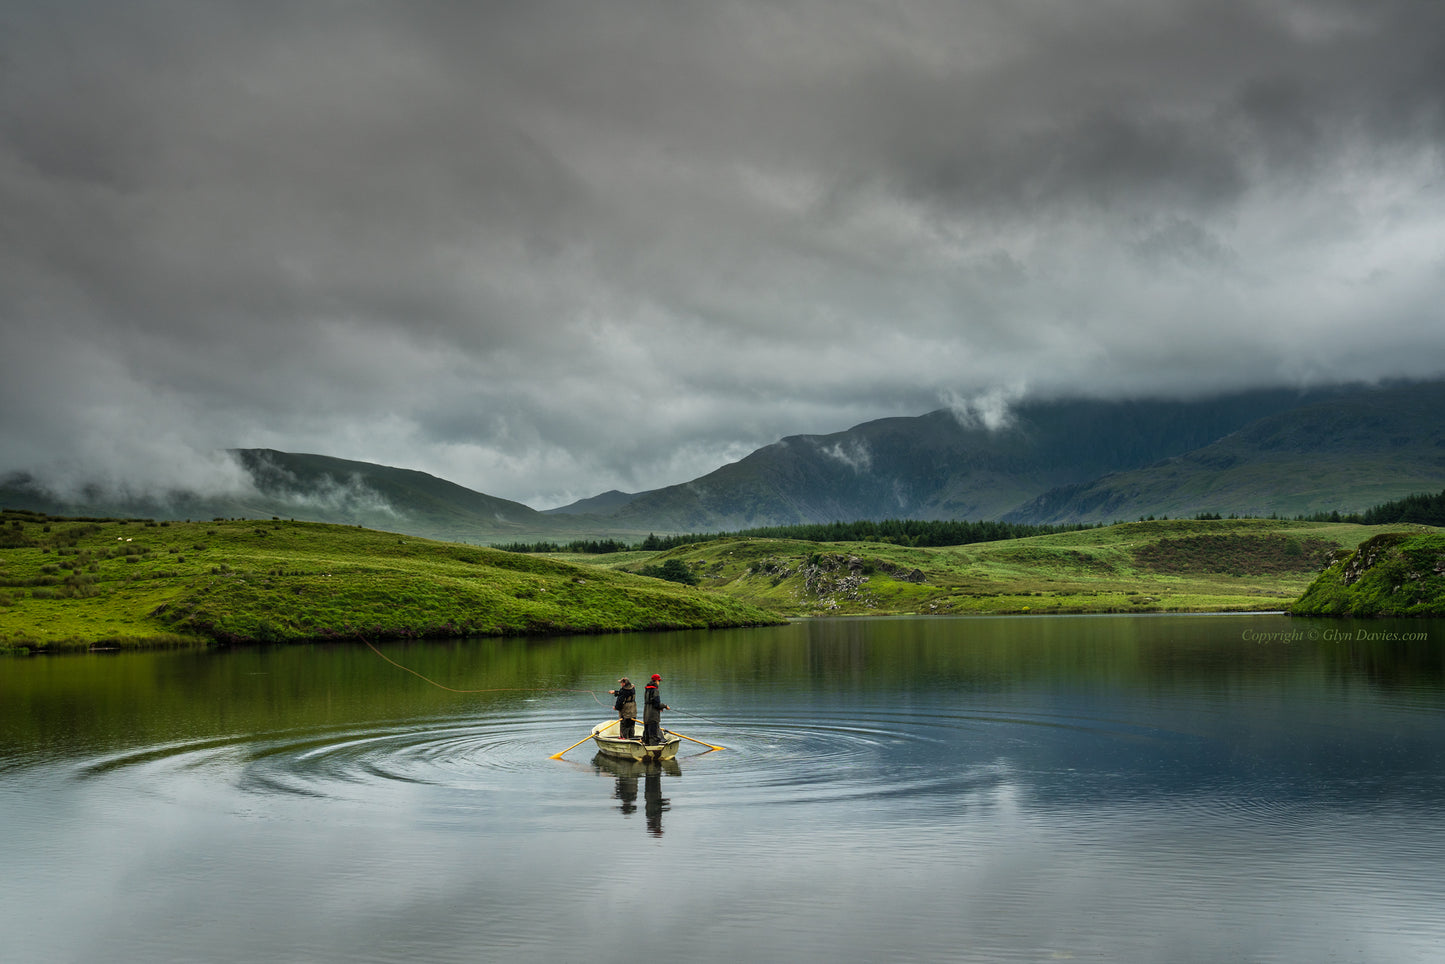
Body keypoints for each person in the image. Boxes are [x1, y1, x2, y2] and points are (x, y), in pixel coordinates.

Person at [642, 673, 669, 745]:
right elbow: (656, 704)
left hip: (646, 714)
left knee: (647, 734)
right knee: (654, 735)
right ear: (656, 681)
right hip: (653, 716)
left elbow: (651, 702)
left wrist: (659, 707)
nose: (659, 682)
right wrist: (665, 706)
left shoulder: (647, 690)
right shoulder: (655, 690)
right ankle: (654, 750)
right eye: (659, 681)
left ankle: (646, 747)